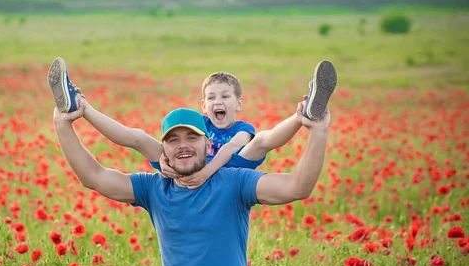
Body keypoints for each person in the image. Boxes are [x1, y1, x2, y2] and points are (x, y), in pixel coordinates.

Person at [53, 94, 330, 266]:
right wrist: (62, 124)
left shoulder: (234, 183)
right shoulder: (154, 189)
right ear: (164, 150)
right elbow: (94, 176)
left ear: (208, 144)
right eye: (173, 140)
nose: (182, 146)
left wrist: (318, 131)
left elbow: (297, 187)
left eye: (192, 138)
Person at [48, 57, 336, 189]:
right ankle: (82, 107)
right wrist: (166, 162)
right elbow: (175, 144)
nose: (217, 102)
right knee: (137, 137)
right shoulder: (198, 127)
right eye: (211, 98)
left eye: (225, 96)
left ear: (239, 104)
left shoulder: (240, 130)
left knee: (261, 140)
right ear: (203, 106)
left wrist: (204, 174)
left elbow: (225, 153)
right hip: (190, 166)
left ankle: (304, 115)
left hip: (231, 166)